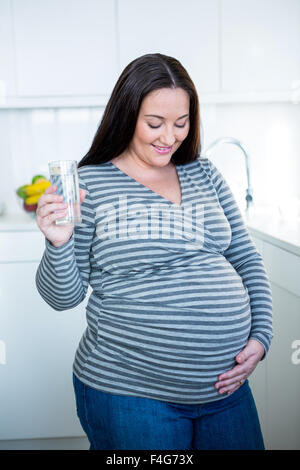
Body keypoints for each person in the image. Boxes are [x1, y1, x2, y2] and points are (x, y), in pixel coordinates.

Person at [35, 53, 273, 450]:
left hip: (225, 390)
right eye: (154, 124)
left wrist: (262, 337)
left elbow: (245, 258)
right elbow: (63, 298)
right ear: (126, 115)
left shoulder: (203, 172)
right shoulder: (88, 183)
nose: (169, 137)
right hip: (131, 392)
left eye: (181, 124)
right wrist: (57, 243)